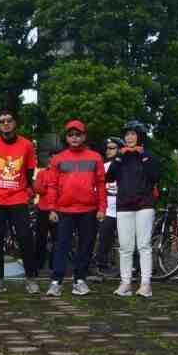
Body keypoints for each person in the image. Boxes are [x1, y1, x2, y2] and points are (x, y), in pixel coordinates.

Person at [44, 120, 106, 297]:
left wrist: (102, 207)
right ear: (66, 138)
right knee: (61, 246)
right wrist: (52, 209)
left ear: (84, 136)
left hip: (89, 209)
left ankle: (80, 280)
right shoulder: (58, 158)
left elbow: (101, 184)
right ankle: (56, 282)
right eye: (71, 135)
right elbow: (52, 185)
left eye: (78, 134)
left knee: (85, 246)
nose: (74, 138)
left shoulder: (95, 157)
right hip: (64, 210)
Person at [0, 109, 39, 294]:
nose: (5, 124)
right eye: (1, 121)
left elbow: (29, 173)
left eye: (9, 120)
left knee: (25, 237)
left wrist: (26, 190)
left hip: (18, 198)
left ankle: (30, 279)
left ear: (15, 123)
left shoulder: (27, 145)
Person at [107, 120, 160, 298]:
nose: (129, 137)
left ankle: (146, 284)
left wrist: (143, 155)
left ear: (140, 136)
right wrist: (120, 157)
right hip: (123, 205)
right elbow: (109, 176)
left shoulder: (149, 155)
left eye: (133, 134)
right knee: (125, 247)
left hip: (144, 204)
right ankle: (126, 282)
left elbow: (154, 175)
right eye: (127, 134)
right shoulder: (120, 157)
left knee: (144, 245)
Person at [93, 137, 122, 278]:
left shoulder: (124, 166)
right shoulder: (102, 167)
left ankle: (129, 267)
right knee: (105, 239)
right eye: (107, 148)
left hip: (123, 209)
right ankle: (101, 266)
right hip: (108, 209)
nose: (108, 150)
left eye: (112, 148)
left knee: (125, 241)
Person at [33, 156, 56, 275]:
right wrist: (49, 187)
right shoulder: (42, 173)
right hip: (43, 209)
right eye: (50, 160)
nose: (51, 162)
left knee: (57, 239)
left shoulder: (61, 173)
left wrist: (47, 187)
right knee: (40, 238)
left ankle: (54, 265)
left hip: (57, 210)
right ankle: (38, 264)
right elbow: (37, 188)